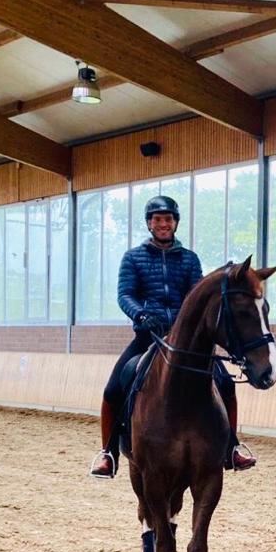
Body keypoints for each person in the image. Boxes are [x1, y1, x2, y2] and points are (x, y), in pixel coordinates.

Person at [89, 195, 256, 479]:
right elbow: (124, 294)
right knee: (114, 388)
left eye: (168, 219)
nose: (163, 224)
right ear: (149, 224)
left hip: (186, 340)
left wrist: (185, 321)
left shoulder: (189, 259)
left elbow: (196, 296)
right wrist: (140, 314)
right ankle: (108, 453)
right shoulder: (133, 258)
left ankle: (232, 447)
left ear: (175, 223)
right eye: (158, 219)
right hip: (148, 335)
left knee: (226, 383)